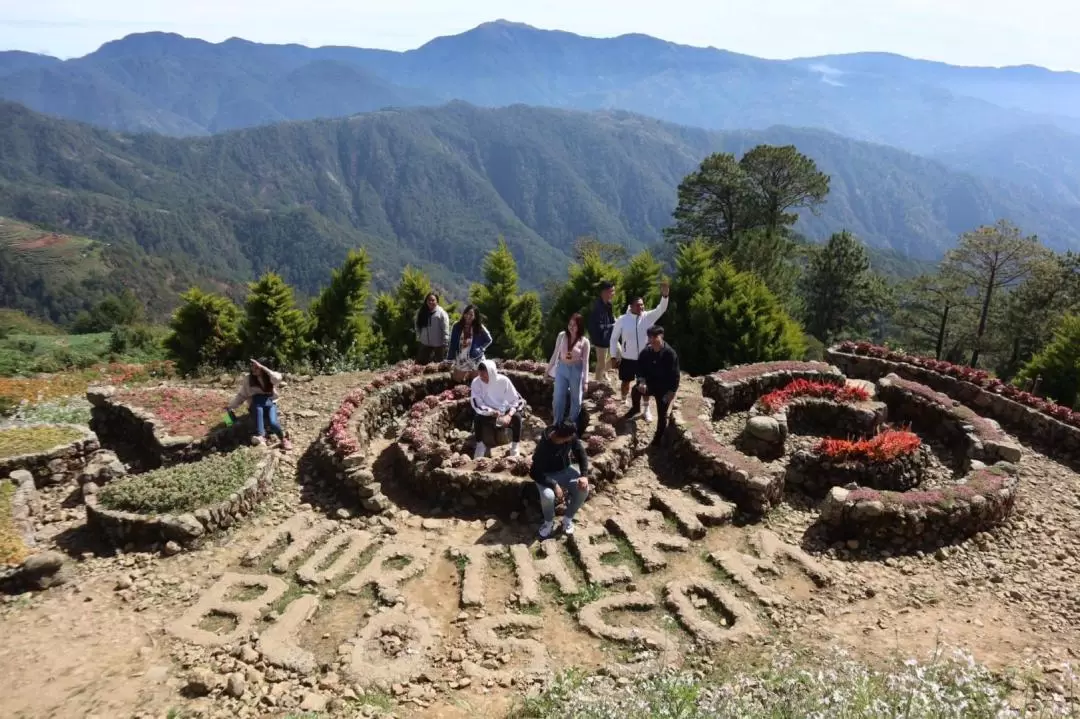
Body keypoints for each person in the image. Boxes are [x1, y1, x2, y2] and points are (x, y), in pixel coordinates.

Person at [609, 281, 670, 421]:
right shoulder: (622, 320)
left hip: (645, 358)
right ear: (631, 306)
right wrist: (613, 356)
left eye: (642, 304)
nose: (641, 307)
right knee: (625, 382)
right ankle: (624, 400)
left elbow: (661, 309)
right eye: (638, 305)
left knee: (644, 385)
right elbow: (613, 339)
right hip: (627, 358)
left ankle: (646, 409)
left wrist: (665, 296)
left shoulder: (648, 317)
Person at [530, 420, 590, 538]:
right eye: (569, 438)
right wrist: (554, 484)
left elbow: (581, 454)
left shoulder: (570, 436)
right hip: (545, 475)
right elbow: (534, 472)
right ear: (560, 437)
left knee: (583, 489)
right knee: (548, 496)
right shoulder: (544, 446)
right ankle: (548, 522)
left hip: (566, 470)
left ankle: (567, 519)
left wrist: (584, 475)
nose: (572, 439)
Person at [227, 358, 293, 451]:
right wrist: (230, 406)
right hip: (256, 407)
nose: (253, 369)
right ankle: (261, 436)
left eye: (257, 368)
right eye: (252, 367)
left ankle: (283, 439)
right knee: (257, 405)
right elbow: (242, 395)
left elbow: (278, 378)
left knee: (273, 423)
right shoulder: (248, 379)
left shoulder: (270, 378)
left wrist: (264, 368)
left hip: (270, 404)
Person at [470, 359, 525, 459]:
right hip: (489, 412)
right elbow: (477, 403)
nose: (483, 378)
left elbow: (516, 400)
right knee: (478, 419)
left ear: (492, 373)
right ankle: (480, 445)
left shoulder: (503, 381)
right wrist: (491, 412)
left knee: (517, 418)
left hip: (505, 409)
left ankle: (515, 445)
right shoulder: (476, 382)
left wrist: (509, 415)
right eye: (481, 375)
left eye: (485, 376)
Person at [635, 326, 680, 447]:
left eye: (656, 338)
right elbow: (639, 369)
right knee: (636, 390)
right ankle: (636, 410)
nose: (653, 341)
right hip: (649, 384)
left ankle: (658, 439)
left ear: (662, 336)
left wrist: (671, 392)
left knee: (662, 415)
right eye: (650, 338)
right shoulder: (646, 352)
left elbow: (675, 375)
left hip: (664, 389)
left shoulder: (670, 354)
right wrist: (641, 381)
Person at [547, 313, 590, 425]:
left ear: (579, 326)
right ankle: (557, 423)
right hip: (562, 368)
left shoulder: (584, 341)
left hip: (576, 369)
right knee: (558, 397)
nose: (571, 327)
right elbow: (555, 353)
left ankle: (571, 423)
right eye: (570, 324)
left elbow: (585, 362)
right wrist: (548, 370)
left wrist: (585, 381)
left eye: (574, 325)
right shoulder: (562, 336)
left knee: (576, 399)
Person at [447, 304, 493, 383]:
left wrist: (481, 349)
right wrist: (449, 359)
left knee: (475, 381)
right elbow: (453, 344)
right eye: (466, 313)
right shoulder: (457, 326)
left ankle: (472, 394)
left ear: (475, 316)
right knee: (456, 379)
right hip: (462, 357)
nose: (468, 316)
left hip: (476, 358)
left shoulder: (479, 327)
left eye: (471, 315)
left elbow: (489, 340)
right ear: (464, 314)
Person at [587, 281, 616, 383]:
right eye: (612, 291)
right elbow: (596, 327)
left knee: (619, 355)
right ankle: (597, 385)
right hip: (600, 338)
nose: (613, 293)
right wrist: (612, 325)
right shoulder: (596, 307)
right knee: (601, 363)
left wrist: (617, 321)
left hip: (610, 335)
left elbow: (611, 318)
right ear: (604, 292)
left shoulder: (608, 304)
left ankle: (604, 372)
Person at [415, 292, 450, 364]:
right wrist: (419, 336)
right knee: (421, 362)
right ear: (426, 301)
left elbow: (445, 328)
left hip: (439, 343)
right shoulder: (422, 312)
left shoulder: (441, 313)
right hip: (425, 342)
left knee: (439, 363)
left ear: (437, 301)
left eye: (433, 300)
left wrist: (446, 340)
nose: (431, 302)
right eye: (429, 300)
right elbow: (417, 325)